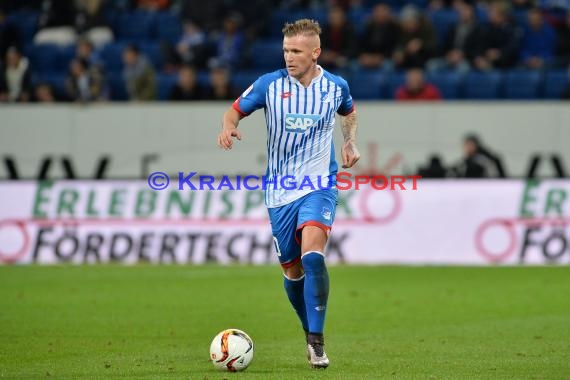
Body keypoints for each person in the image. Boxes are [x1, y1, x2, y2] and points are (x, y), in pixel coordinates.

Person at [216, 19, 360, 369]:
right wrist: (227, 128)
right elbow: (234, 110)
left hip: (319, 184)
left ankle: (317, 341)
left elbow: (349, 113)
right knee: (293, 272)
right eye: (285, 51)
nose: (289, 57)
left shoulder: (335, 86)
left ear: (315, 52)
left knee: (313, 257)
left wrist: (349, 140)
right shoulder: (269, 84)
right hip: (280, 191)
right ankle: (308, 328)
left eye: (296, 51)